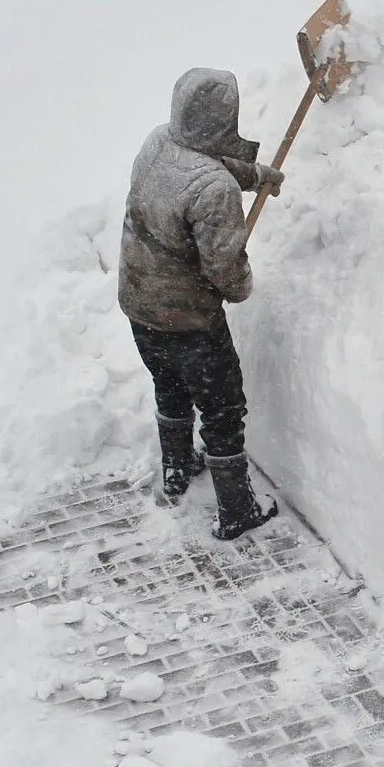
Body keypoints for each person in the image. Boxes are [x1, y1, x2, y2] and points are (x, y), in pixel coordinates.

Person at [117, 67, 283, 539]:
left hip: (140, 308)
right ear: (222, 120)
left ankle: (177, 467)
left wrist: (255, 176)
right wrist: (242, 283)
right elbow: (226, 271)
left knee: (169, 384)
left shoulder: (157, 144)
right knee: (223, 408)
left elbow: (198, 169)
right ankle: (237, 510)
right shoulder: (214, 190)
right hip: (190, 322)